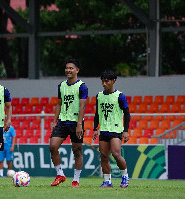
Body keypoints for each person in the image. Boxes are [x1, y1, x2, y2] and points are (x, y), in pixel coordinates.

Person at [49, 58, 88, 188]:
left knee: (77, 151)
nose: (68, 70)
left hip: (76, 123)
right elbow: (59, 104)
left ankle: (76, 180)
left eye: (71, 68)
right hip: (62, 121)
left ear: (77, 70)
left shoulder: (82, 86)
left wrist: (79, 124)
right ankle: (60, 174)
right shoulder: (61, 86)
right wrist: (54, 121)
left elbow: (82, 106)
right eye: (67, 68)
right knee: (53, 146)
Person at [92, 69, 130, 188]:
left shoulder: (120, 96)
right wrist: (95, 128)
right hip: (103, 130)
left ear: (113, 81)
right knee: (103, 156)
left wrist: (126, 130)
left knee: (116, 154)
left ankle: (125, 177)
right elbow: (97, 114)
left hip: (116, 130)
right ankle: (107, 181)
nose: (104, 83)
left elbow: (127, 113)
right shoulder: (99, 96)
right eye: (102, 81)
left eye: (106, 81)